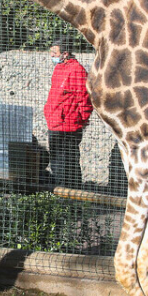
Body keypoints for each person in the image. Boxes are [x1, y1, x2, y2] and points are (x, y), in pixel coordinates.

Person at [44, 36, 93, 189]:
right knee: (57, 163)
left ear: (65, 54)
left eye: (55, 52)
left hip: (69, 126)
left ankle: (71, 196)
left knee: (68, 163)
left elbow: (84, 98)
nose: (52, 55)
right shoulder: (59, 69)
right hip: (55, 123)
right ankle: (61, 194)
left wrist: (81, 120)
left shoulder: (77, 70)